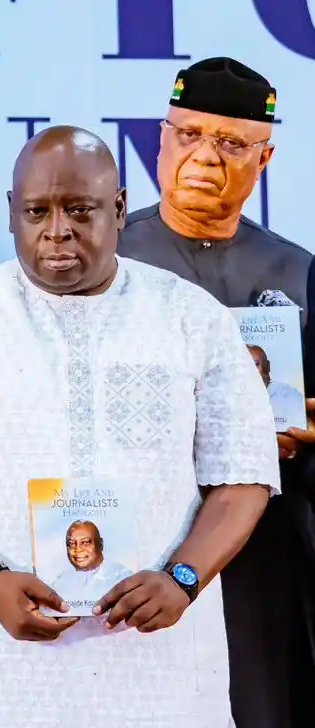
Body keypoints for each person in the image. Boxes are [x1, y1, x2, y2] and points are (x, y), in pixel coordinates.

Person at [0, 125, 279, 727]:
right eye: (36, 212)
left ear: (118, 209)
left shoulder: (192, 318)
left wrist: (183, 579)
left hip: (158, 664)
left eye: (80, 210)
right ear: (11, 213)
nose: (57, 230)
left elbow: (243, 472)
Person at [118, 57, 315, 727]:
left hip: (262, 557)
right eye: (190, 135)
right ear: (161, 139)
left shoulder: (298, 273)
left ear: (265, 158)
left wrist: (303, 434)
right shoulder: (104, 262)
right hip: (138, 547)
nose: (205, 157)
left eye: (232, 143)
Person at [48, 521, 133, 605]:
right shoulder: (60, 581)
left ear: (100, 544)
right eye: (71, 544)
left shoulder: (120, 576)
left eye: (85, 543)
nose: (78, 549)